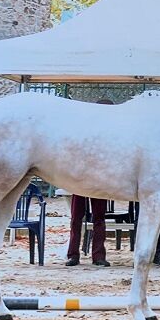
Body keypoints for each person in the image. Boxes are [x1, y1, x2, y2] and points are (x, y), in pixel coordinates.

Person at [65, 98, 113, 268]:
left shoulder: (111, 132)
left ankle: (98, 255)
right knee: (76, 218)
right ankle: (73, 254)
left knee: (99, 218)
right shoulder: (84, 128)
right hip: (81, 178)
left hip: (99, 179)